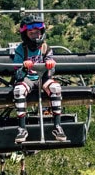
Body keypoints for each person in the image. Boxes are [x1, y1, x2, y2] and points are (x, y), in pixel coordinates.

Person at [12, 13, 65, 144]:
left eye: (37, 33)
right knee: (18, 90)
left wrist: (50, 64)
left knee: (55, 87)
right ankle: (22, 128)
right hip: (28, 79)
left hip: (43, 79)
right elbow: (17, 74)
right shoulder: (21, 50)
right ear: (26, 35)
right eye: (31, 34)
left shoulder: (45, 48)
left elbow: (50, 69)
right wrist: (24, 67)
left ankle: (57, 126)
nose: (35, 36)